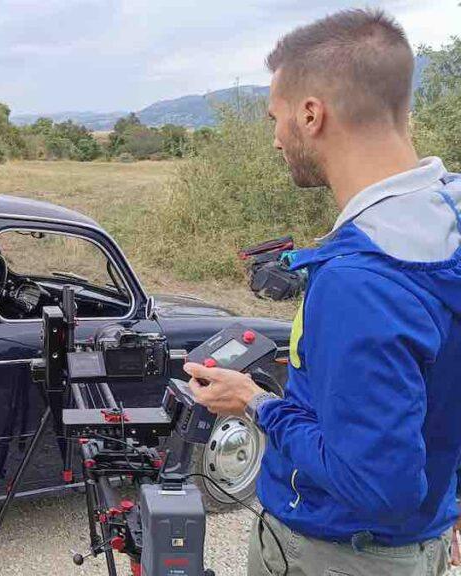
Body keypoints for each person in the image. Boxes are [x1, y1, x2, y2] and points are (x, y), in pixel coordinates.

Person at [182, 9, 461, 576]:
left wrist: (257, 403)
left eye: (275, 117)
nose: (275, 139)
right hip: (418, 544)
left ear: (311, 114)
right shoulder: (449, 214)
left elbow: (379, 486)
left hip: (337, 553)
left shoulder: (358, 281)